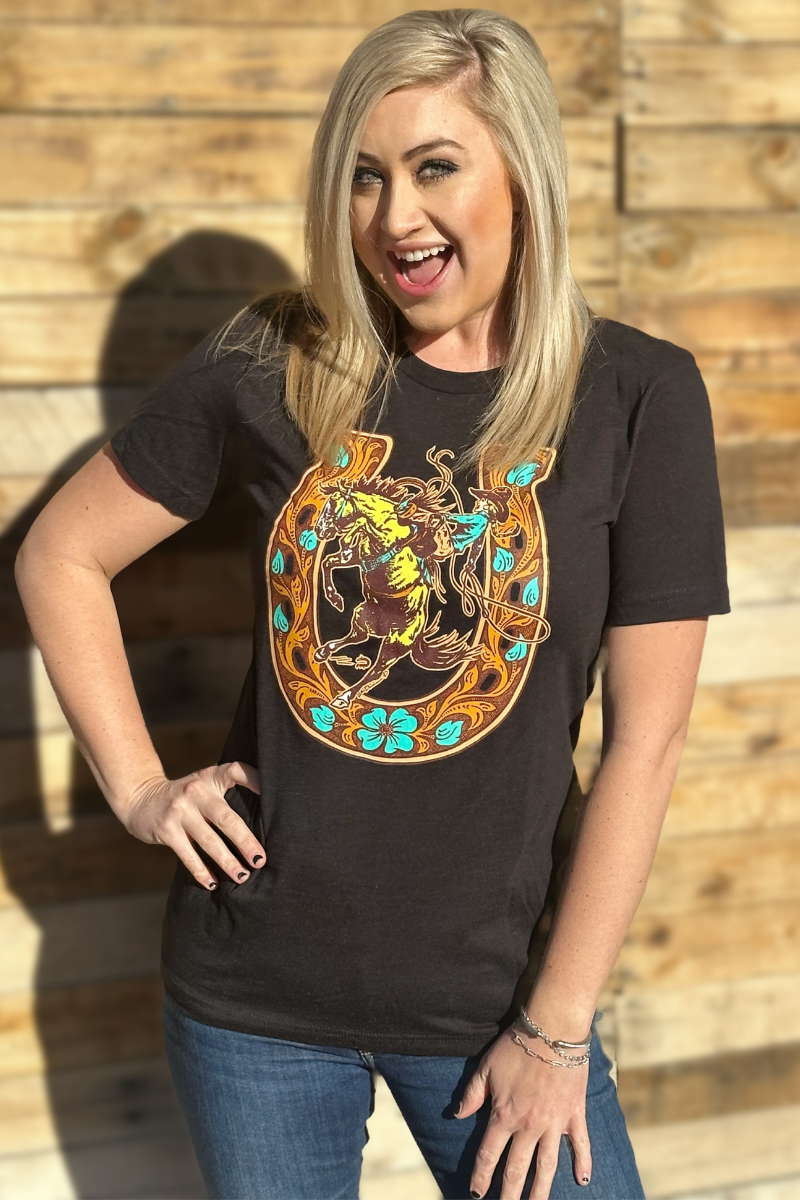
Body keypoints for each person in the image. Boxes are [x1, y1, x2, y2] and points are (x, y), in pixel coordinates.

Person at [14, 9, 731, 1200]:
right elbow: (60, 557)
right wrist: (138, 788)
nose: (394, 216)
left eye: (434, 167)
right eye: (363, 176)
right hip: (251, 1004)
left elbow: (644, 745)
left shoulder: (633, 395)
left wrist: (555, 1031)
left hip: (497, 1010)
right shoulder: (273, 362)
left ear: (521, 173)